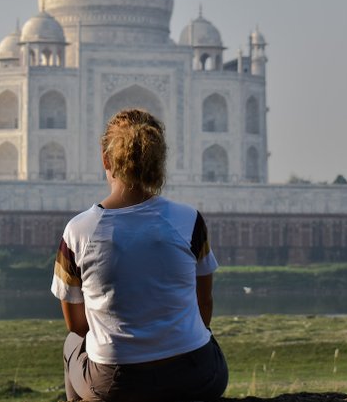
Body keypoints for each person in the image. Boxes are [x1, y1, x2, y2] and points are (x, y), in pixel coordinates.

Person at [51, 109, 229, 402]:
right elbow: (204, 303)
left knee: (72, 343)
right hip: (197, 376)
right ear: (158, 162)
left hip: (116, 384)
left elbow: (77, 325)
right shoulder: (189, 220)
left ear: (105, 160)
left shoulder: (78, 230)